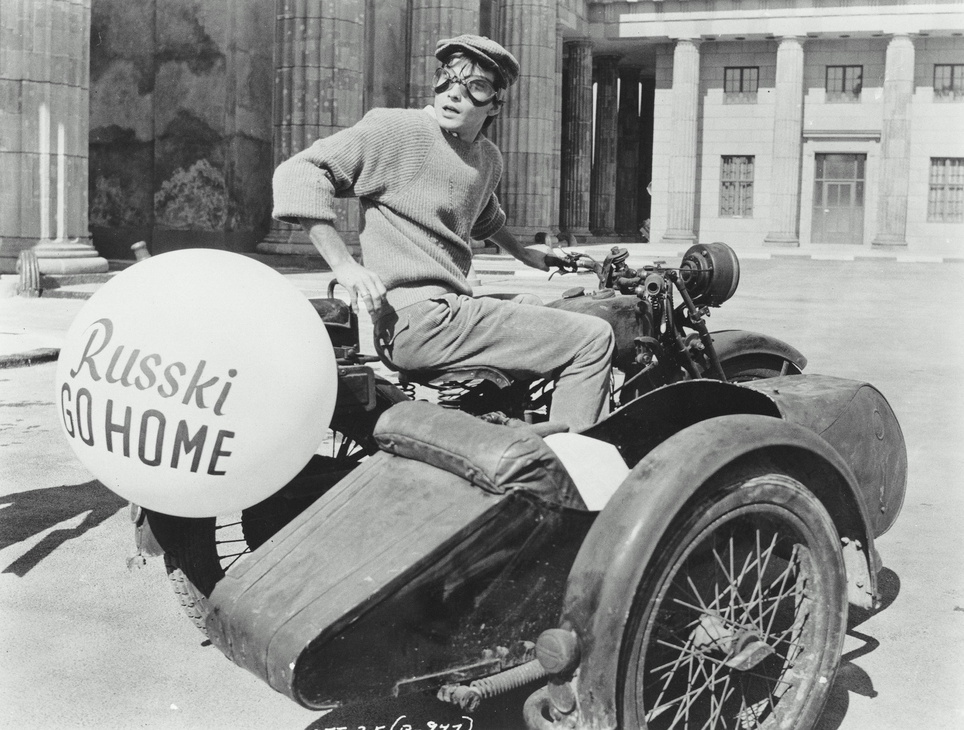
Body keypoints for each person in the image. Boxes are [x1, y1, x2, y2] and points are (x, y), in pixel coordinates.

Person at [272, 34, 614, 431]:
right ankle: (570, 457)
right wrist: (345, 265)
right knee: (593, 336)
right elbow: (299, 172)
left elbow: (482, 213)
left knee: (532, 303)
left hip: (447, 312)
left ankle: (503, 426)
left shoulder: (487, 157)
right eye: (447, 79)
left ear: (494, 105)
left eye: (475, 86)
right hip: (420, 320)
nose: (454, 94)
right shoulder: (400, 130)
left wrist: (526, 254)